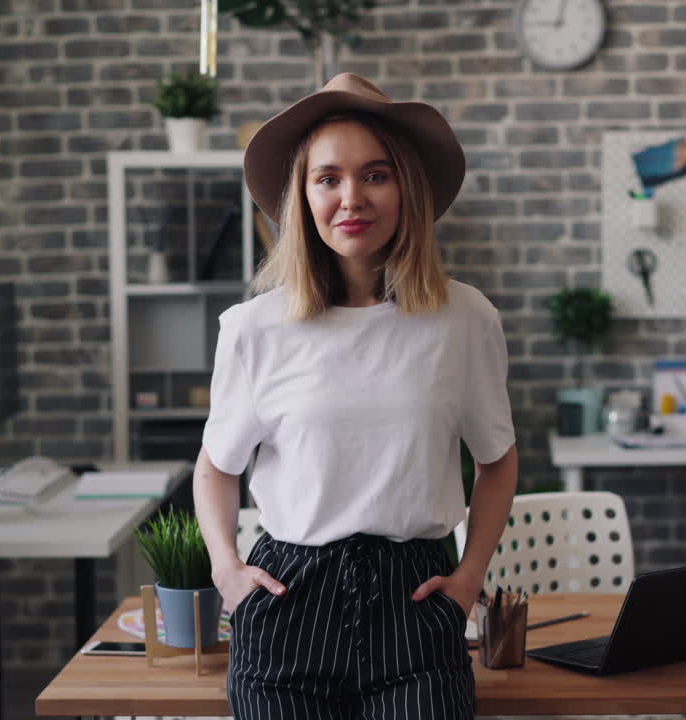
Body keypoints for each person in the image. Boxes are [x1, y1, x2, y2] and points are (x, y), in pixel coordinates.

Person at [193, 73, 518, 719]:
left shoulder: (465, 318)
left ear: (407, 189)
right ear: (302, 195)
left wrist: (471, 575)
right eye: (328, 178)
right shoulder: (255, 328)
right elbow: (216, 468)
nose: (352, 198)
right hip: (288, 605)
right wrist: (226, 569)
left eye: (375, 175)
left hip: (417, 600)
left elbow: (498, 458)